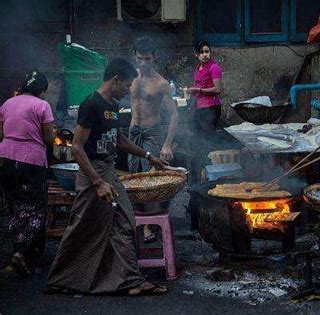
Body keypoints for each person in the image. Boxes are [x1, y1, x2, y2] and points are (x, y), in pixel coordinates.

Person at [46, 58, 168, 296]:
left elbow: (119, 140)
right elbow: (77, 148)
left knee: (124, 222)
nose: (127, 91)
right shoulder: (91, 104)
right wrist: (97, 182)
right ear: (115, 80)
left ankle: (130, 280)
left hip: (109, 172)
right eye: (126, 86)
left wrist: (149, 155)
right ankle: (61, 279)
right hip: (94, 176)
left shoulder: (111, 106)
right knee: (83, 227)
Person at [0, 71, 55, 277]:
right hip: (31, 161)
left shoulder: (7, 103)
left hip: (5, 158)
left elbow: (1, 133)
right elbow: (49, 139)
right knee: (38, 209)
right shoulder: (42, 106)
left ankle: (20, 250)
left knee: (15, 206)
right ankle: (22, 253)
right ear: (42, 90)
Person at [128, 36, 178, 243]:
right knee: (132, 178)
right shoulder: (130, 78)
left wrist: (167, 143)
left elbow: (174, 114)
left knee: (151, 179)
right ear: (135, 57)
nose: (143, 63)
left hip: (152, 132)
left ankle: (149, 225)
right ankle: (133, 221)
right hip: (133, 132)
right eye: (140, 59)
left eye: (147, 59)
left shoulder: (161, 83)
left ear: (154, 57)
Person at [185, 41, 223, 178]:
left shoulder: (214, 68)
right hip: (200, 107)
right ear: (196, 54)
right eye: (201, 52)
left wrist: (198, 90)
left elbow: (217, 89)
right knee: (198, 139)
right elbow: (198, 87)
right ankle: (200, 169)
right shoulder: (198, 68)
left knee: (207, 139)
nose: (205, 55)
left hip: (211, 108)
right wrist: (192, 91)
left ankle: (210, 170)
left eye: (207, 51)